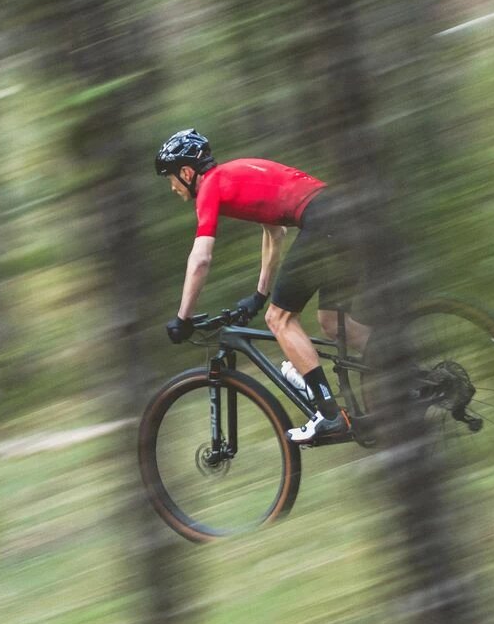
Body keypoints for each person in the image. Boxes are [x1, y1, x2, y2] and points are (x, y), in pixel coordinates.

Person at [156, 129, 372, 443]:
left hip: (324, 223)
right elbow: (275, 233)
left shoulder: (210, 187)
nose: (172, 187)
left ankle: (329, 415)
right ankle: (402, 367)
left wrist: (183, 317)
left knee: (279, 319)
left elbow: (200, 259)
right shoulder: (233, 175)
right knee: (332, 323)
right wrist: (260, 294)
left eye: (171, 178)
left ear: (187, 173)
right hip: (345, 217)